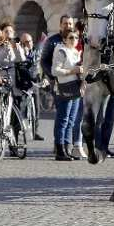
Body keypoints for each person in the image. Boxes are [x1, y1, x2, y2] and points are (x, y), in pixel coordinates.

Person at [51, 29, 84, 161]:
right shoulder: (61, 51)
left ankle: (67, 148)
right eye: (71, 37)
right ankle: (60, 150)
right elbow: (55, 71)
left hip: (75, 88)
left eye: (76, 37)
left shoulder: (75, 52)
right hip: (64, 88)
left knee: (71, 120)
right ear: (64, 39)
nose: (74, 40)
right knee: (63, 120)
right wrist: (73, 70)